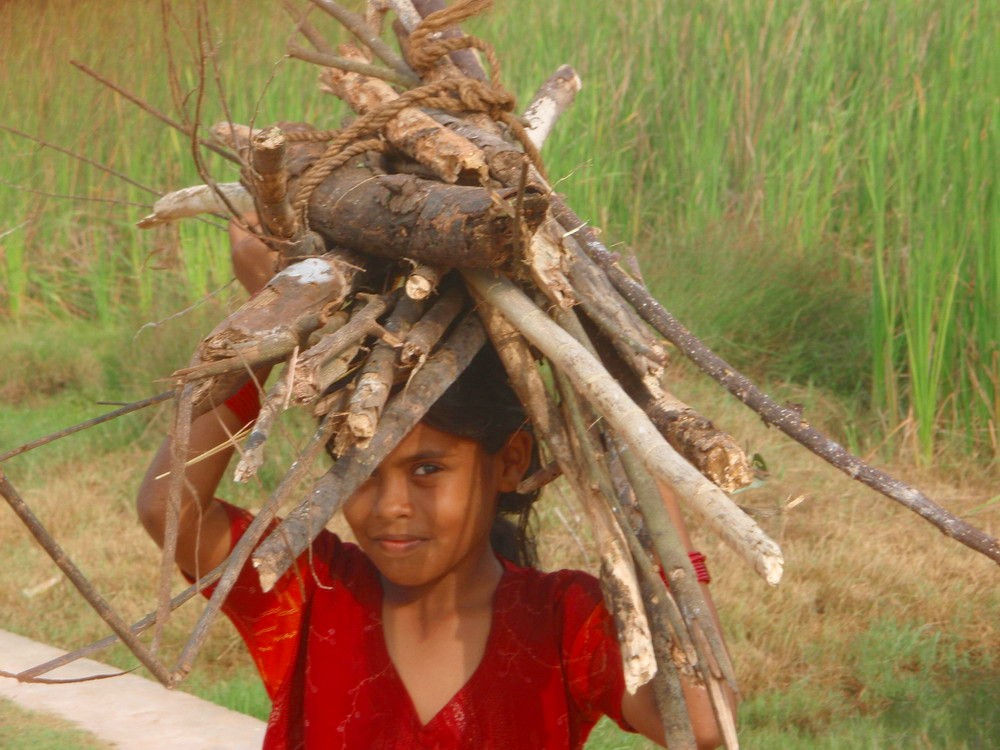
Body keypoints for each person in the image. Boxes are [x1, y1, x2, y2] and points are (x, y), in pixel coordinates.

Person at [136, 219, 734, 749]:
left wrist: (633, 417)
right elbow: (171, 511)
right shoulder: (313, 594)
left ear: (509, 461)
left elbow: (704, 723)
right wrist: (269, 318)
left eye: (428, 469)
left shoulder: (564, 623)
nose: (392, 507)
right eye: (361, 471)